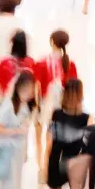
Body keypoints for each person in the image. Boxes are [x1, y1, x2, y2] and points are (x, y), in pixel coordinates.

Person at [45, 79, 89, 189]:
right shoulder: (87, 118)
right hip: (77, 160)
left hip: (57, 158)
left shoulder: (56, 114)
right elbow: (88, 142)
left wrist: (44, 165)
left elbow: (49, 141)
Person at [34, 30, 78, 165]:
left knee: (38, 138)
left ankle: (40, 166)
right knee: (51, 139)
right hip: (60, 107)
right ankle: (48, 165)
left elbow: (37, 87)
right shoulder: (70, 64)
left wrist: (36, 105)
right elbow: (73, 88)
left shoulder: (42, 62)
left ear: (52, 42)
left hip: (43, 104)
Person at [0, 30, 35, 101]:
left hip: (6, 101)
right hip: (24, 104)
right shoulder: (30, 62)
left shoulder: (4, 62)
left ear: (13, 44)